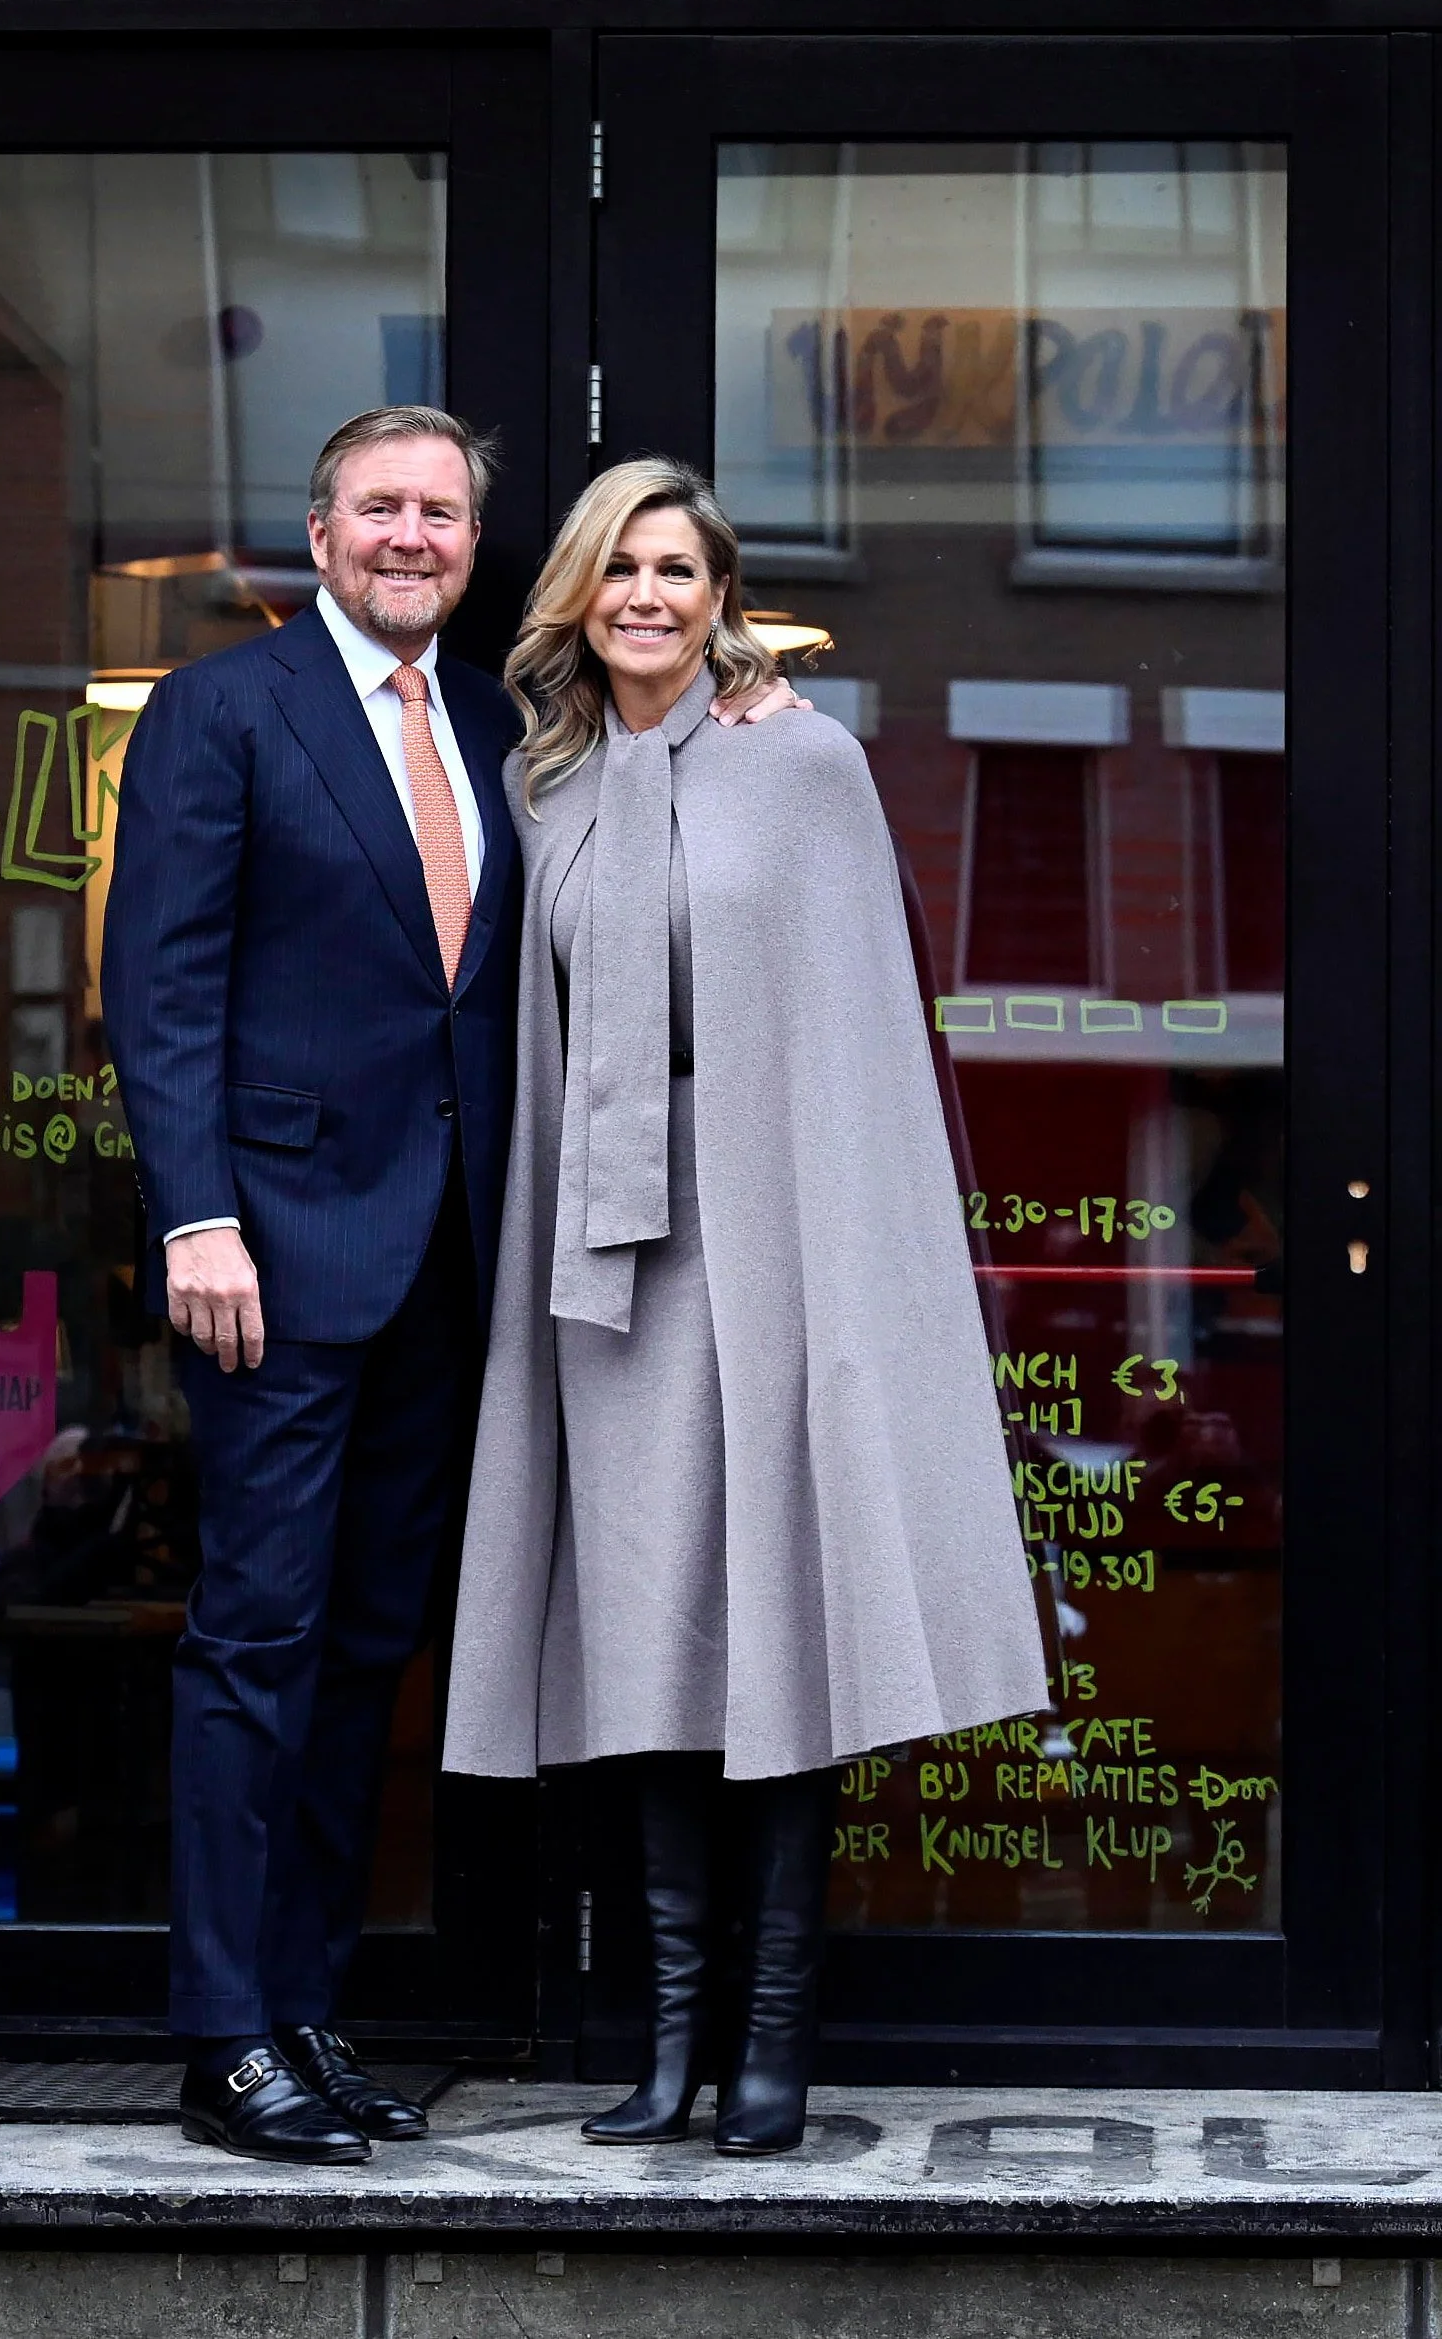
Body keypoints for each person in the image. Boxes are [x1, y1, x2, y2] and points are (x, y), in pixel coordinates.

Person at [101, 409, 798, 2168]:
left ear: (477, 546)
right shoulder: (219, 711)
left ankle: (307, 2009)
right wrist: (196, 1221)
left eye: (443, 514)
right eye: (381, 508)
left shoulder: (509, 725)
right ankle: (223, 2038)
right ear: (319, 528)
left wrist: (748, 708)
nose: (412, 536)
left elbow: (646, 838)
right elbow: (161, 989)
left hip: (461, 1269)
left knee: (363, 1655)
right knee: (254, 1643)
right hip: (272, 1262)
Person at [442, 458, 1049, 2157]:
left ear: (723, 597)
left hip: (779, 1226)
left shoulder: (806, 766)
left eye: (678, 570)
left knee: (783, 1624)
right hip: (609, 1256)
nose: (647, 595)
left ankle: (774, 2047)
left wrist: (863, 1265)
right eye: (619, 568)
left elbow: (862, 1034)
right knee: (641, 1636)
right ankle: (668, 2049)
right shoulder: (545, 786)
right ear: (579, 592)